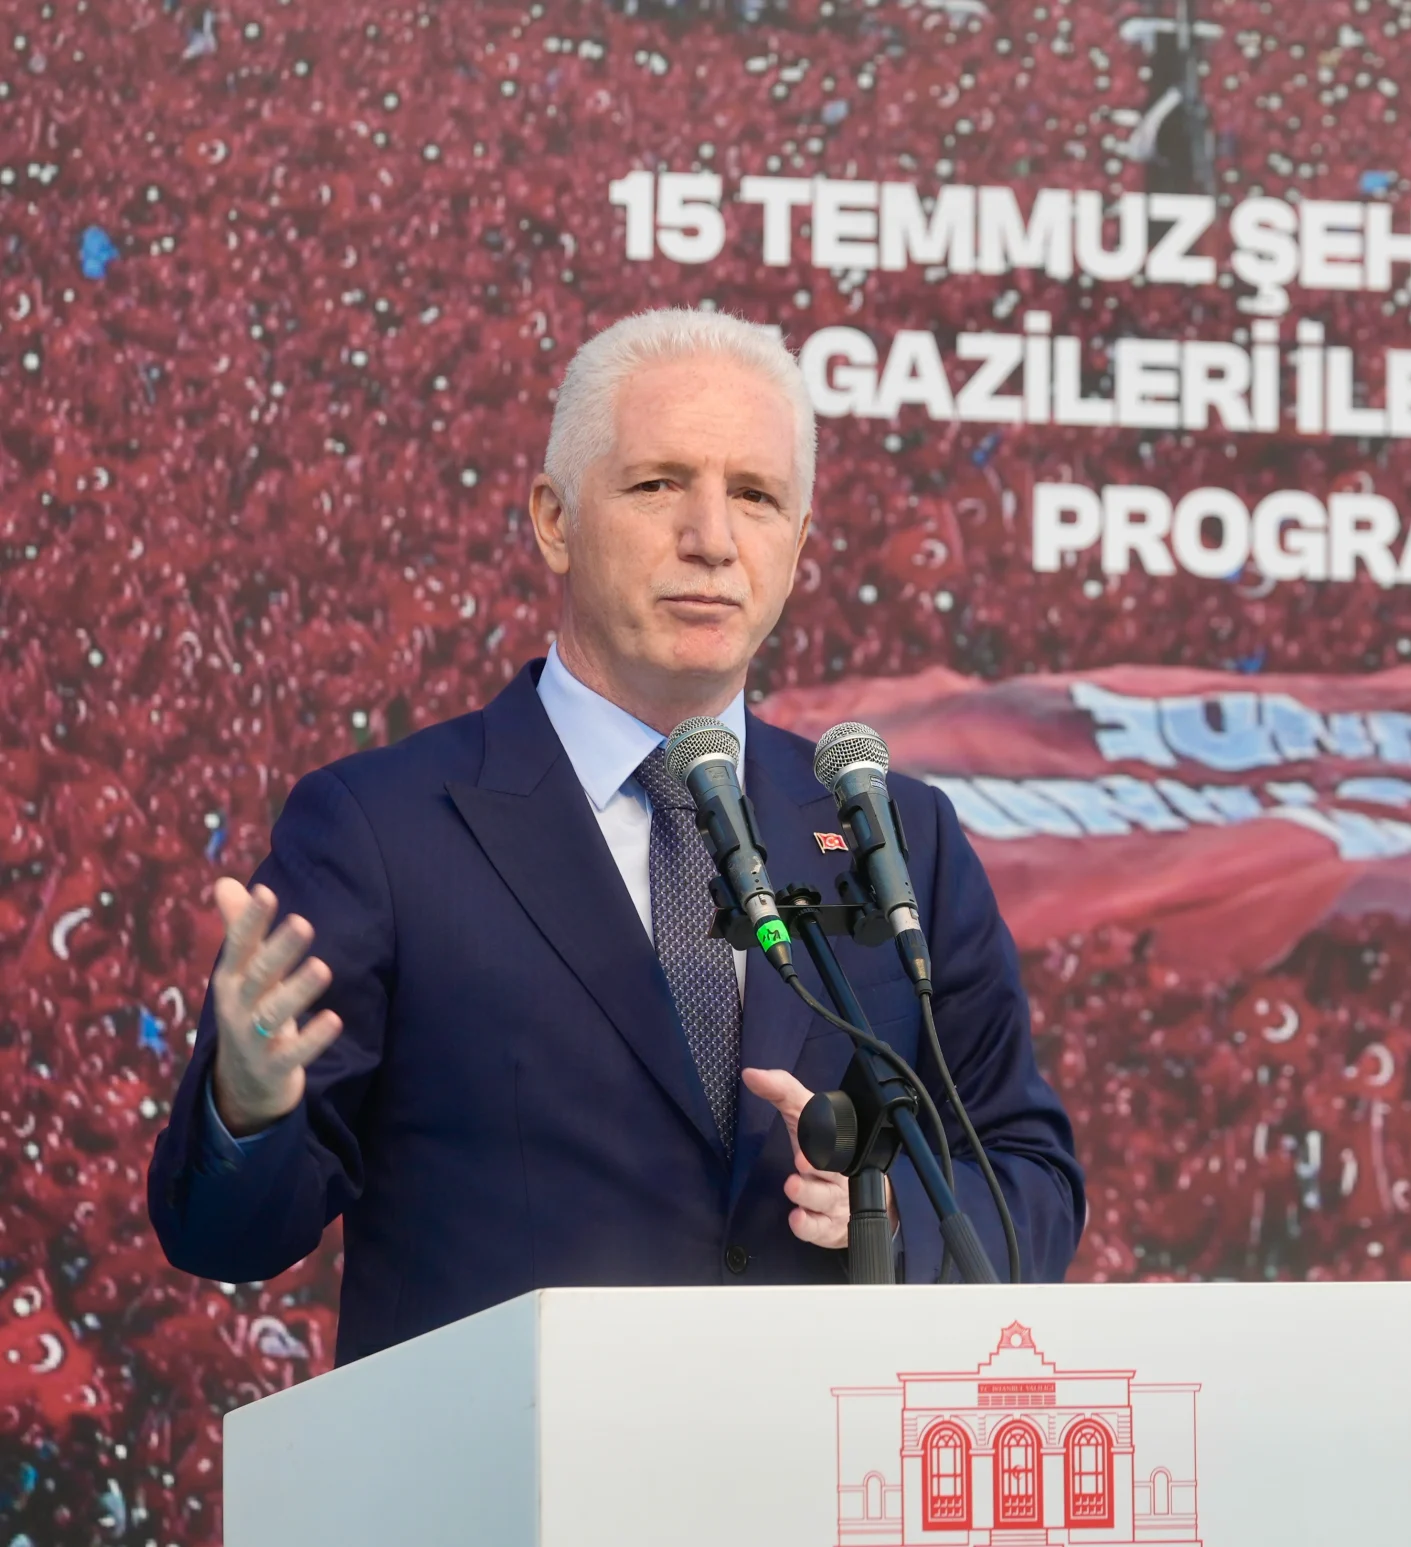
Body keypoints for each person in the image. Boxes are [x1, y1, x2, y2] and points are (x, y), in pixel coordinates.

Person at [145, 309, 1084, 1362]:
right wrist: (247, 1103)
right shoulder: (380, 828)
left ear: (800, 545)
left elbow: (1028, 1182)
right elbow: (225, 1232)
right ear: (554, 518)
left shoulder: (894, 831)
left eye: (757, 497)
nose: (713, 538)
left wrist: (891, 1204)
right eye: (657, 484)